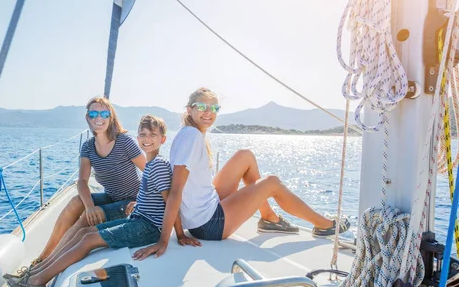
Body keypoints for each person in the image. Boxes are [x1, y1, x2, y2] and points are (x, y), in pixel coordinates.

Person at [133, 87, 349, 260]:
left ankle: (269, 218)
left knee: (245, 156)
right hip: (208, 225)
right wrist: (166, 240)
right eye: (201, 106)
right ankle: (325, 226)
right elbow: (176, 191)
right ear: (189, 110)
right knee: (272, 183)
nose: (208, 112)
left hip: (204, 208)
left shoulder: (189, 132)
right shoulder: (191, 137)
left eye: (213, 108)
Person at [6, 115, 196, 287]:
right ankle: (37, 270)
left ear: (163, 140)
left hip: (148, 229)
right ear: (137, 137)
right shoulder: (151, 164)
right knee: (84, 232)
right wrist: (137, 206)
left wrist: (175, 236)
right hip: (138, 219)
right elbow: (151, 199)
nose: (147, 139)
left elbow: (171, 202)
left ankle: (38, 281)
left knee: (89, 241)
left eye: (152, 135)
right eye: (143, 135)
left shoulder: (159, 166)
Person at [29, 96, 146, 268]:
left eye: (104, 113)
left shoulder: (125, 142)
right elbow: (82, 181)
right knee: (78, 201)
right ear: (88, 118)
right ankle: (45, 256)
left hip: (130, 202)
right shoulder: (88, 147)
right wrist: (90, 205)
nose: (99, 118)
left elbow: (149, 173)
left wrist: (141, 202)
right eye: (94, 113)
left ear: (110, 117)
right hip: (111, 197)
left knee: (86, 218)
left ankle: (49, 264)